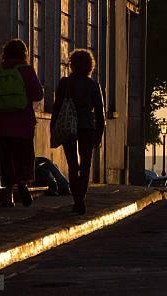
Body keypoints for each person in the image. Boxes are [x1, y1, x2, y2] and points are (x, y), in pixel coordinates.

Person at [0, 39, 44, 207]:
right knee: (24, 156)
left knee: (6, 158)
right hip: (24, 123)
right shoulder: (26, 70)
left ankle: (8, 195)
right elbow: (38, 95)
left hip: (3, 124)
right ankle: (23, 183)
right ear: (24, 54)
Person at [51, 49, 104, 214]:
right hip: (87, 127)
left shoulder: (64, 83)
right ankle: (81, 196)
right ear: (90, 66)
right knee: (86, 164)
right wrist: (99, 133)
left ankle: (77, 199)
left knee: (72, 164)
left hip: (68, 126)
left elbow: (57, 107)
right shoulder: (93, 85)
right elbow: (100, 114)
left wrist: (53, 126)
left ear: (72, 64)